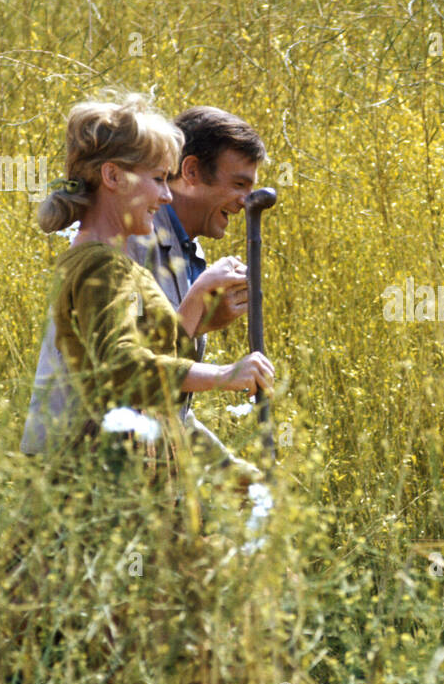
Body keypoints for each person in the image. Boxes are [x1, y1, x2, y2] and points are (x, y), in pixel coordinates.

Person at [30, 93, 273, 469]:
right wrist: (220, 366)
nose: (165, 192)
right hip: (84, 466)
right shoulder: (124, 247)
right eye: (160, 178)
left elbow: (162, 394)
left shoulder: (181, 252)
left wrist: (224, 468)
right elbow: (126, 370)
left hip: (124, 468)